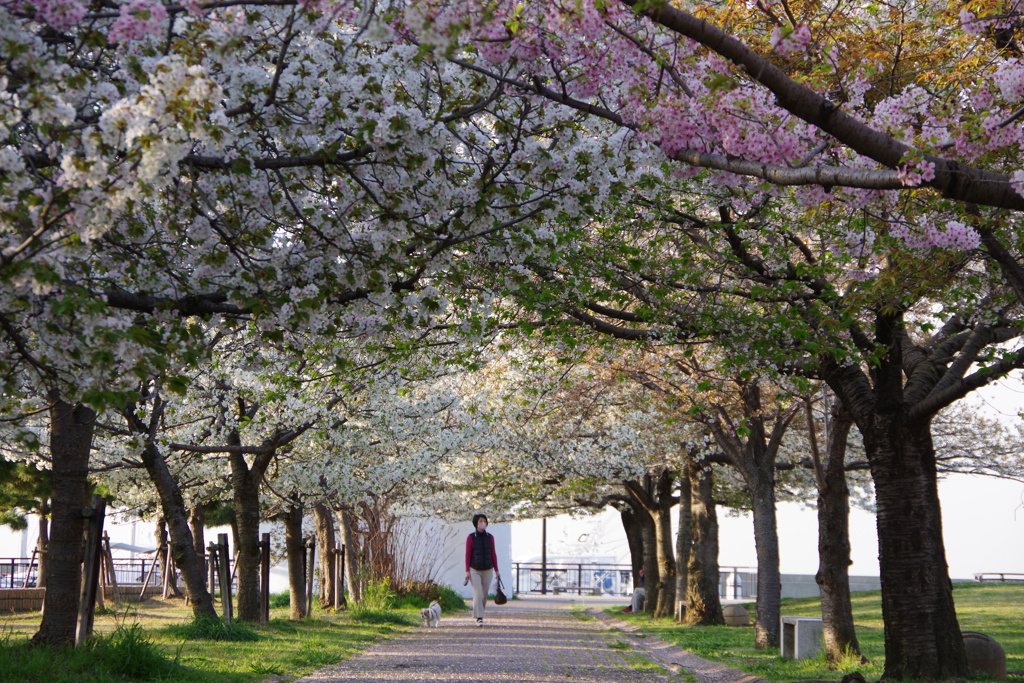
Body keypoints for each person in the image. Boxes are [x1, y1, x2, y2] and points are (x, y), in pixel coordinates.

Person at [464, 513, 500, 627]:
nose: (482, 523)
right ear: (476, 523)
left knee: (484, 594)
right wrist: (467, 570)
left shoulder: (490, 537)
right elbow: (467, 555)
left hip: (488, 569)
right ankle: (479, 617)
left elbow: (493, 554)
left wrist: (496, 570)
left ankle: (480, 614)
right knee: (478, 593)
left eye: (484, 521)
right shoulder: (471, 537)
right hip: (474, 568)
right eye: (480, 521)